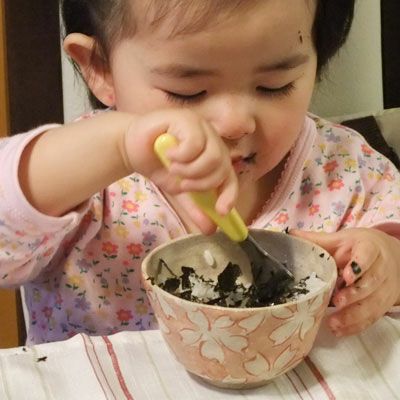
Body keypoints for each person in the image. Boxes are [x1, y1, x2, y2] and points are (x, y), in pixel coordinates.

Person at [0, 0, 398, 345]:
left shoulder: (344, 169)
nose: (234, 123)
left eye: (274, 86)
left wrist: (387, 264)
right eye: (187, 92)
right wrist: (119, 147)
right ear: (100, 68)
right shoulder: (83, 175)